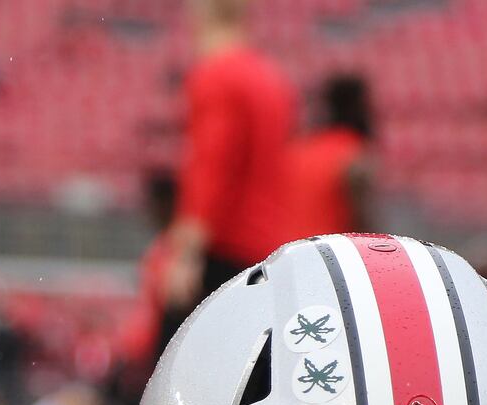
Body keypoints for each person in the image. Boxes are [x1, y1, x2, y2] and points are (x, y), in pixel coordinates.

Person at [161, 0, 296, 354]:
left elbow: (213, 163)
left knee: (177, 367)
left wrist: (187, 252)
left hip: (224, 248)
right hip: (263, 245)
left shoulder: (217, 75)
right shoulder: (270, 77)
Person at [284, 74, 376, 239]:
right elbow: (361, 218)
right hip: (328, 254)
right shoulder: (352, 153)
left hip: (287, 250)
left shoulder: (302, 149)